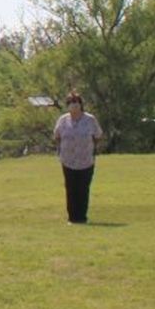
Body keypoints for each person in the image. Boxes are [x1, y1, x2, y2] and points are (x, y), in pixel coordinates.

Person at [53, 92, 103, 224]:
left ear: (81, 104)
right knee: (71, 188)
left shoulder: (90, 119)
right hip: (68, 160)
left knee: (83, 188)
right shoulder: (63, 120)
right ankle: (72, 217)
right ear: (67, 105)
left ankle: (82, 217)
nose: (74, 105)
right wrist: (60, 151)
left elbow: (97, 136)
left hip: (86, 160)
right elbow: (57, 136)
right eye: (71, 103)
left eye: (76, 102)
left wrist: (90, 149)